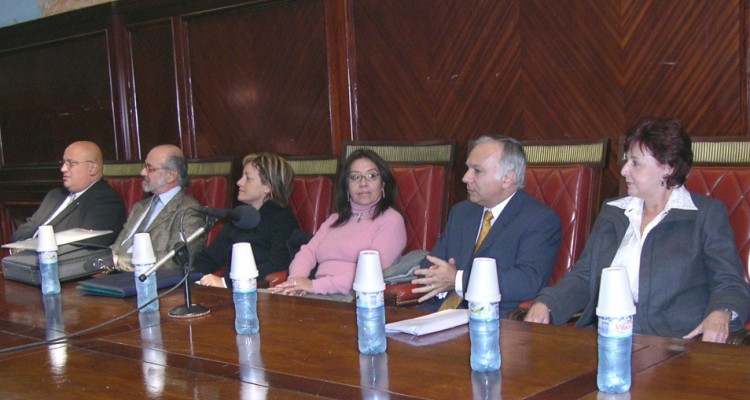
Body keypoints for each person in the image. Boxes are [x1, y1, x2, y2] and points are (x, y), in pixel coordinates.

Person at [525, 117, 750, 343]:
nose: (624, 170)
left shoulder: (704, 215)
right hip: (605, 338)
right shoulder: (613, 212)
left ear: (667, 168)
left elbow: (729, 281)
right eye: (626, 160)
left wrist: (722, 312)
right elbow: (585, 275)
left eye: (635, 163)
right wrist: (548, 303)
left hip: (674, 345)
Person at [411, 135, 562, 316]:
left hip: (494, 321)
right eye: (468, 168)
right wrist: (440, 278)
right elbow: (428, 266)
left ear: (507, 179)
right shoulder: (461, 212)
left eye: (477, 171)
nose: (466, 178)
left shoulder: (539, 219)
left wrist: (457, 279)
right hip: (435, 314)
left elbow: (527, 281)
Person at [273, 149, 407, 299]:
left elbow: (370, 272)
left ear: (383, 183)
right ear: (347, 187)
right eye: (355, 177)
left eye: (371, 176)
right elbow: (308, 252)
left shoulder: (391, 219)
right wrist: (295, 282)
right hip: (316, 294)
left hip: (351, 298)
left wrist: (314, 286)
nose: (363, 183)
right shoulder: (335, 219)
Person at [194, 153, 299, 287]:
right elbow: (210, 258)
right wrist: (189, 276)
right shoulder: (241, 215)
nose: (239, 182)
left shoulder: (283, 220)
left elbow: (278, 264)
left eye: (247, 178)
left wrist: (226, 282)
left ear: (268, 186)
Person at [9, 141, 126, 247]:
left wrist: (32, 247)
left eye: (71, 163)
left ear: (93, 168)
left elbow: (86, 246)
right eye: (64, 162)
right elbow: (21, 233)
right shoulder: (55, 195)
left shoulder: (105, 201)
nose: (63, 169)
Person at [109, 145, 204, 271]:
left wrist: (118, 262)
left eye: (150, 169)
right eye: (144, 166)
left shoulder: (188, 210)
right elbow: (117, 247)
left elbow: (174, 261)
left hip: (151, 283)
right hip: (113, 275)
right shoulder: (140, 206)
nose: (142, 172)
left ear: (171, 175)